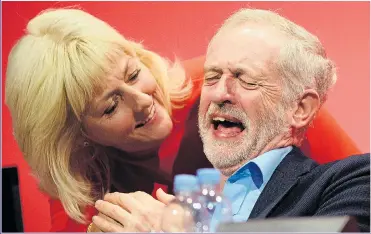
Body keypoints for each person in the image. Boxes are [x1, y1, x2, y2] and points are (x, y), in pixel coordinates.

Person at [4, 7, 365, 232]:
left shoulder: (221, 93)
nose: (144, 100)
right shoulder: (83, 187)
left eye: (133, 74)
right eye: (111, 107)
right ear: (78, 136)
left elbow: (354, 197)